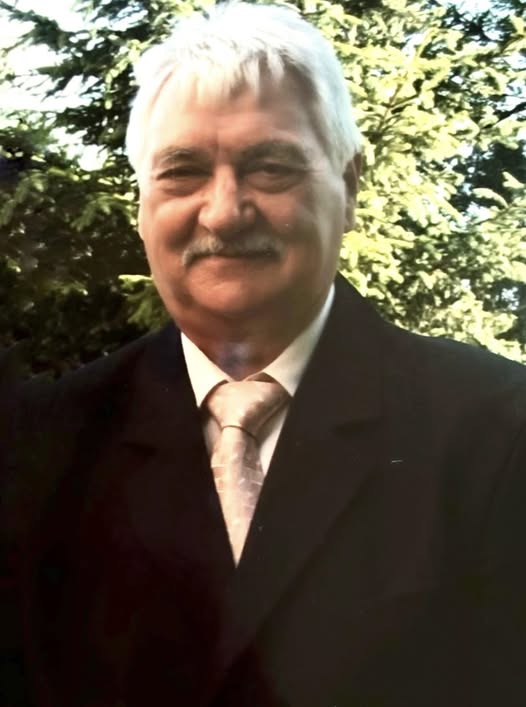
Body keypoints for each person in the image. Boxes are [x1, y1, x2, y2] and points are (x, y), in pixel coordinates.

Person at [2, 3, 526, 706]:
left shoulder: (500, 434)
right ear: (141, 203)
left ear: (350, 185)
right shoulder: (34, 448)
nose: (223, 211)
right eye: (182, 171)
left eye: (271, 168)